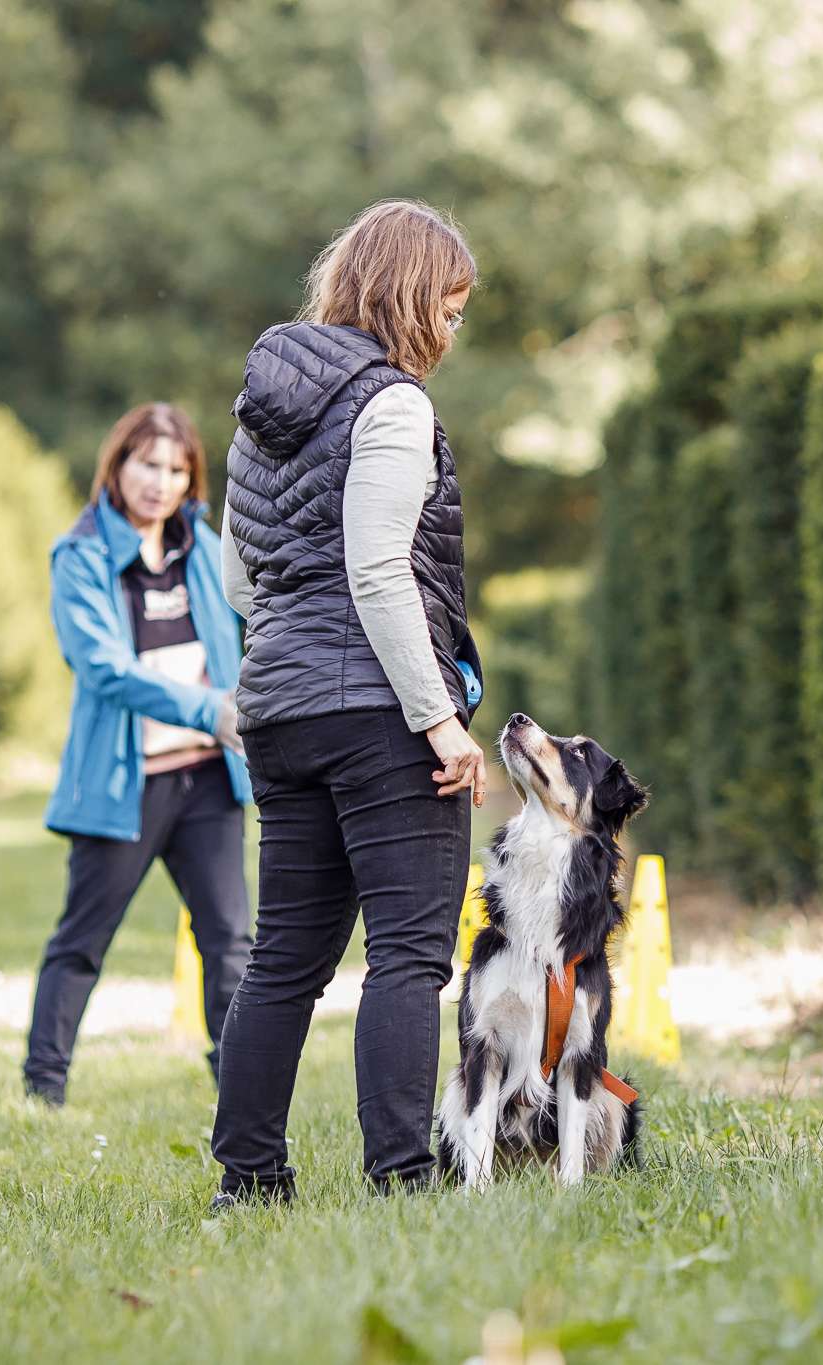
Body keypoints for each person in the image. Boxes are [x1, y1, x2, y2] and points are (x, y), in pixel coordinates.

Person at [211, 199, 487, 1205]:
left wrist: (298, 646)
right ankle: (401, 1180)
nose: (452, 328)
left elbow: (238, 582)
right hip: (378, 715)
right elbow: (377, 572)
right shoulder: (392, 405)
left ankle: (248, 1180)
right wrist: (439, 721)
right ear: (409, 296)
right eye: (448, 306)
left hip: (279, 713)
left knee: (284, 957)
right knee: (408, 953)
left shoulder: (260, 412)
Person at [25, 402, 253, 1106]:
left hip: (208, 782)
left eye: (176, 470)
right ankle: (43, 1089)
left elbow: (246, 635)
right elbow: (105, 669)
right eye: (147, 464)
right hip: (124, 786)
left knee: (231, 944)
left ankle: (241, 1092)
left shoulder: (206, 548)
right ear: (117, 465)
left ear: (192, 481)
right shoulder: (81, 555)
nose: (160, 483)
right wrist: (209, 709)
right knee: (83, 941)